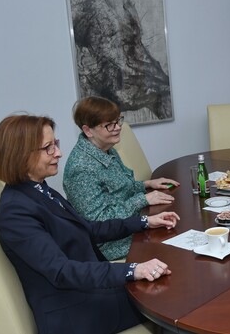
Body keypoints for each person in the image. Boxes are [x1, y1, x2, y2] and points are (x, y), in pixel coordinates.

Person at [0, 114, 181, 334]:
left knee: (168, 283)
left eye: (55, 143)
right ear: (20, 155)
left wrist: (144, 221)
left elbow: (88, 229)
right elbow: (61, 271)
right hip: (75, 312)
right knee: (169, 298)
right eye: (48, 147)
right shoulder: (15, 211)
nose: (59, 153)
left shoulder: (39, 189)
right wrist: (133, 269)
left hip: (86, 291)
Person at [63, 96, 179, 260]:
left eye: (118, 121)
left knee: (175, 220)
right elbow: (100, 223)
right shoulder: (81, 169)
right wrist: (142, 200)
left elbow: (121, 187)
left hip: (131, 224)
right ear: (88, 130)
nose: (117, 128)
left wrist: (146, 184)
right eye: (109, 125)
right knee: (174, 238)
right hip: (112, 244)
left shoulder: (106, 148)